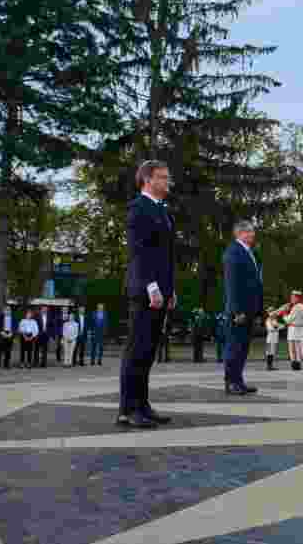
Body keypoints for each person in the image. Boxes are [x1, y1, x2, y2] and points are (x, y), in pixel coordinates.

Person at [120, 160, 176, 428]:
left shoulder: (162, 211)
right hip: (144, 290)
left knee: (148, 352)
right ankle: (127, 409)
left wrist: (170, 289)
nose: (168, 182)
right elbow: (139, 252)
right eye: (163, 178)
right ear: (147, 180)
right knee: (136, 350)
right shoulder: (138, 209)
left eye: (167, 177)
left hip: (159, 290)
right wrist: (152, 287)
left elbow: (165, 256)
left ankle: (142, 404)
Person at [222, 220, 263, 394]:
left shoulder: (249, 252)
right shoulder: (234, 253)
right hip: (239, 310)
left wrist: (259, 309)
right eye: (249, 232)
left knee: (243, 346)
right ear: (240, 233)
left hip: (249, 309)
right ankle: (231, 382)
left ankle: (238, 380)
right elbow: (232, 284)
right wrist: (237, 310)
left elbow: (255, 283)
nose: (253, 234)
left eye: (252, 231)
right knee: (234, 346)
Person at [283, 291, 303, 370]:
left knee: (293, 349)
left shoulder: (297, 307)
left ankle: (295, 365)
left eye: (293, 297)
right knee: (296, 348)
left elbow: (289, 320)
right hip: (297, 329)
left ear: (297, 298)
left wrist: (284, 313)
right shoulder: (302, 306)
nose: (291, 299)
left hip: (294, 330)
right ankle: (296, 364)